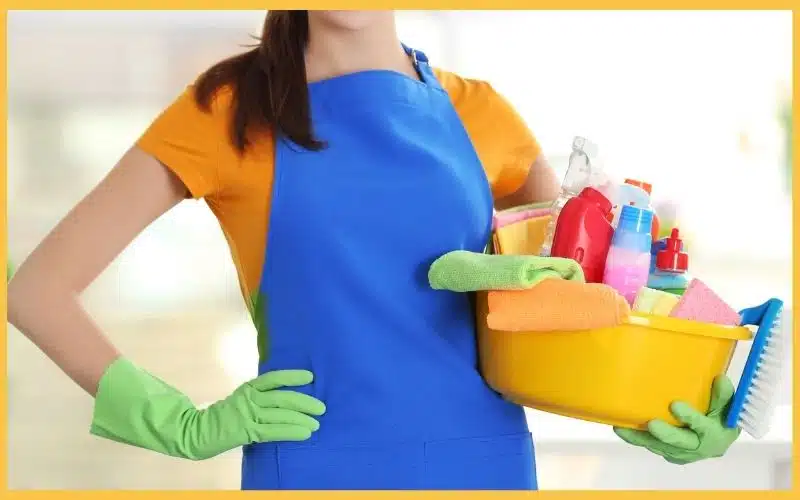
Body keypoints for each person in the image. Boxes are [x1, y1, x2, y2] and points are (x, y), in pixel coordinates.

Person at [7, 10, 739, 491]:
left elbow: (568, 320)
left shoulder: (483, 113)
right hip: (318, 465)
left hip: (480, 467)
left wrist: (661, 410)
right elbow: (36, 291)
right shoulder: (228, 112)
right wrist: (181, 425)